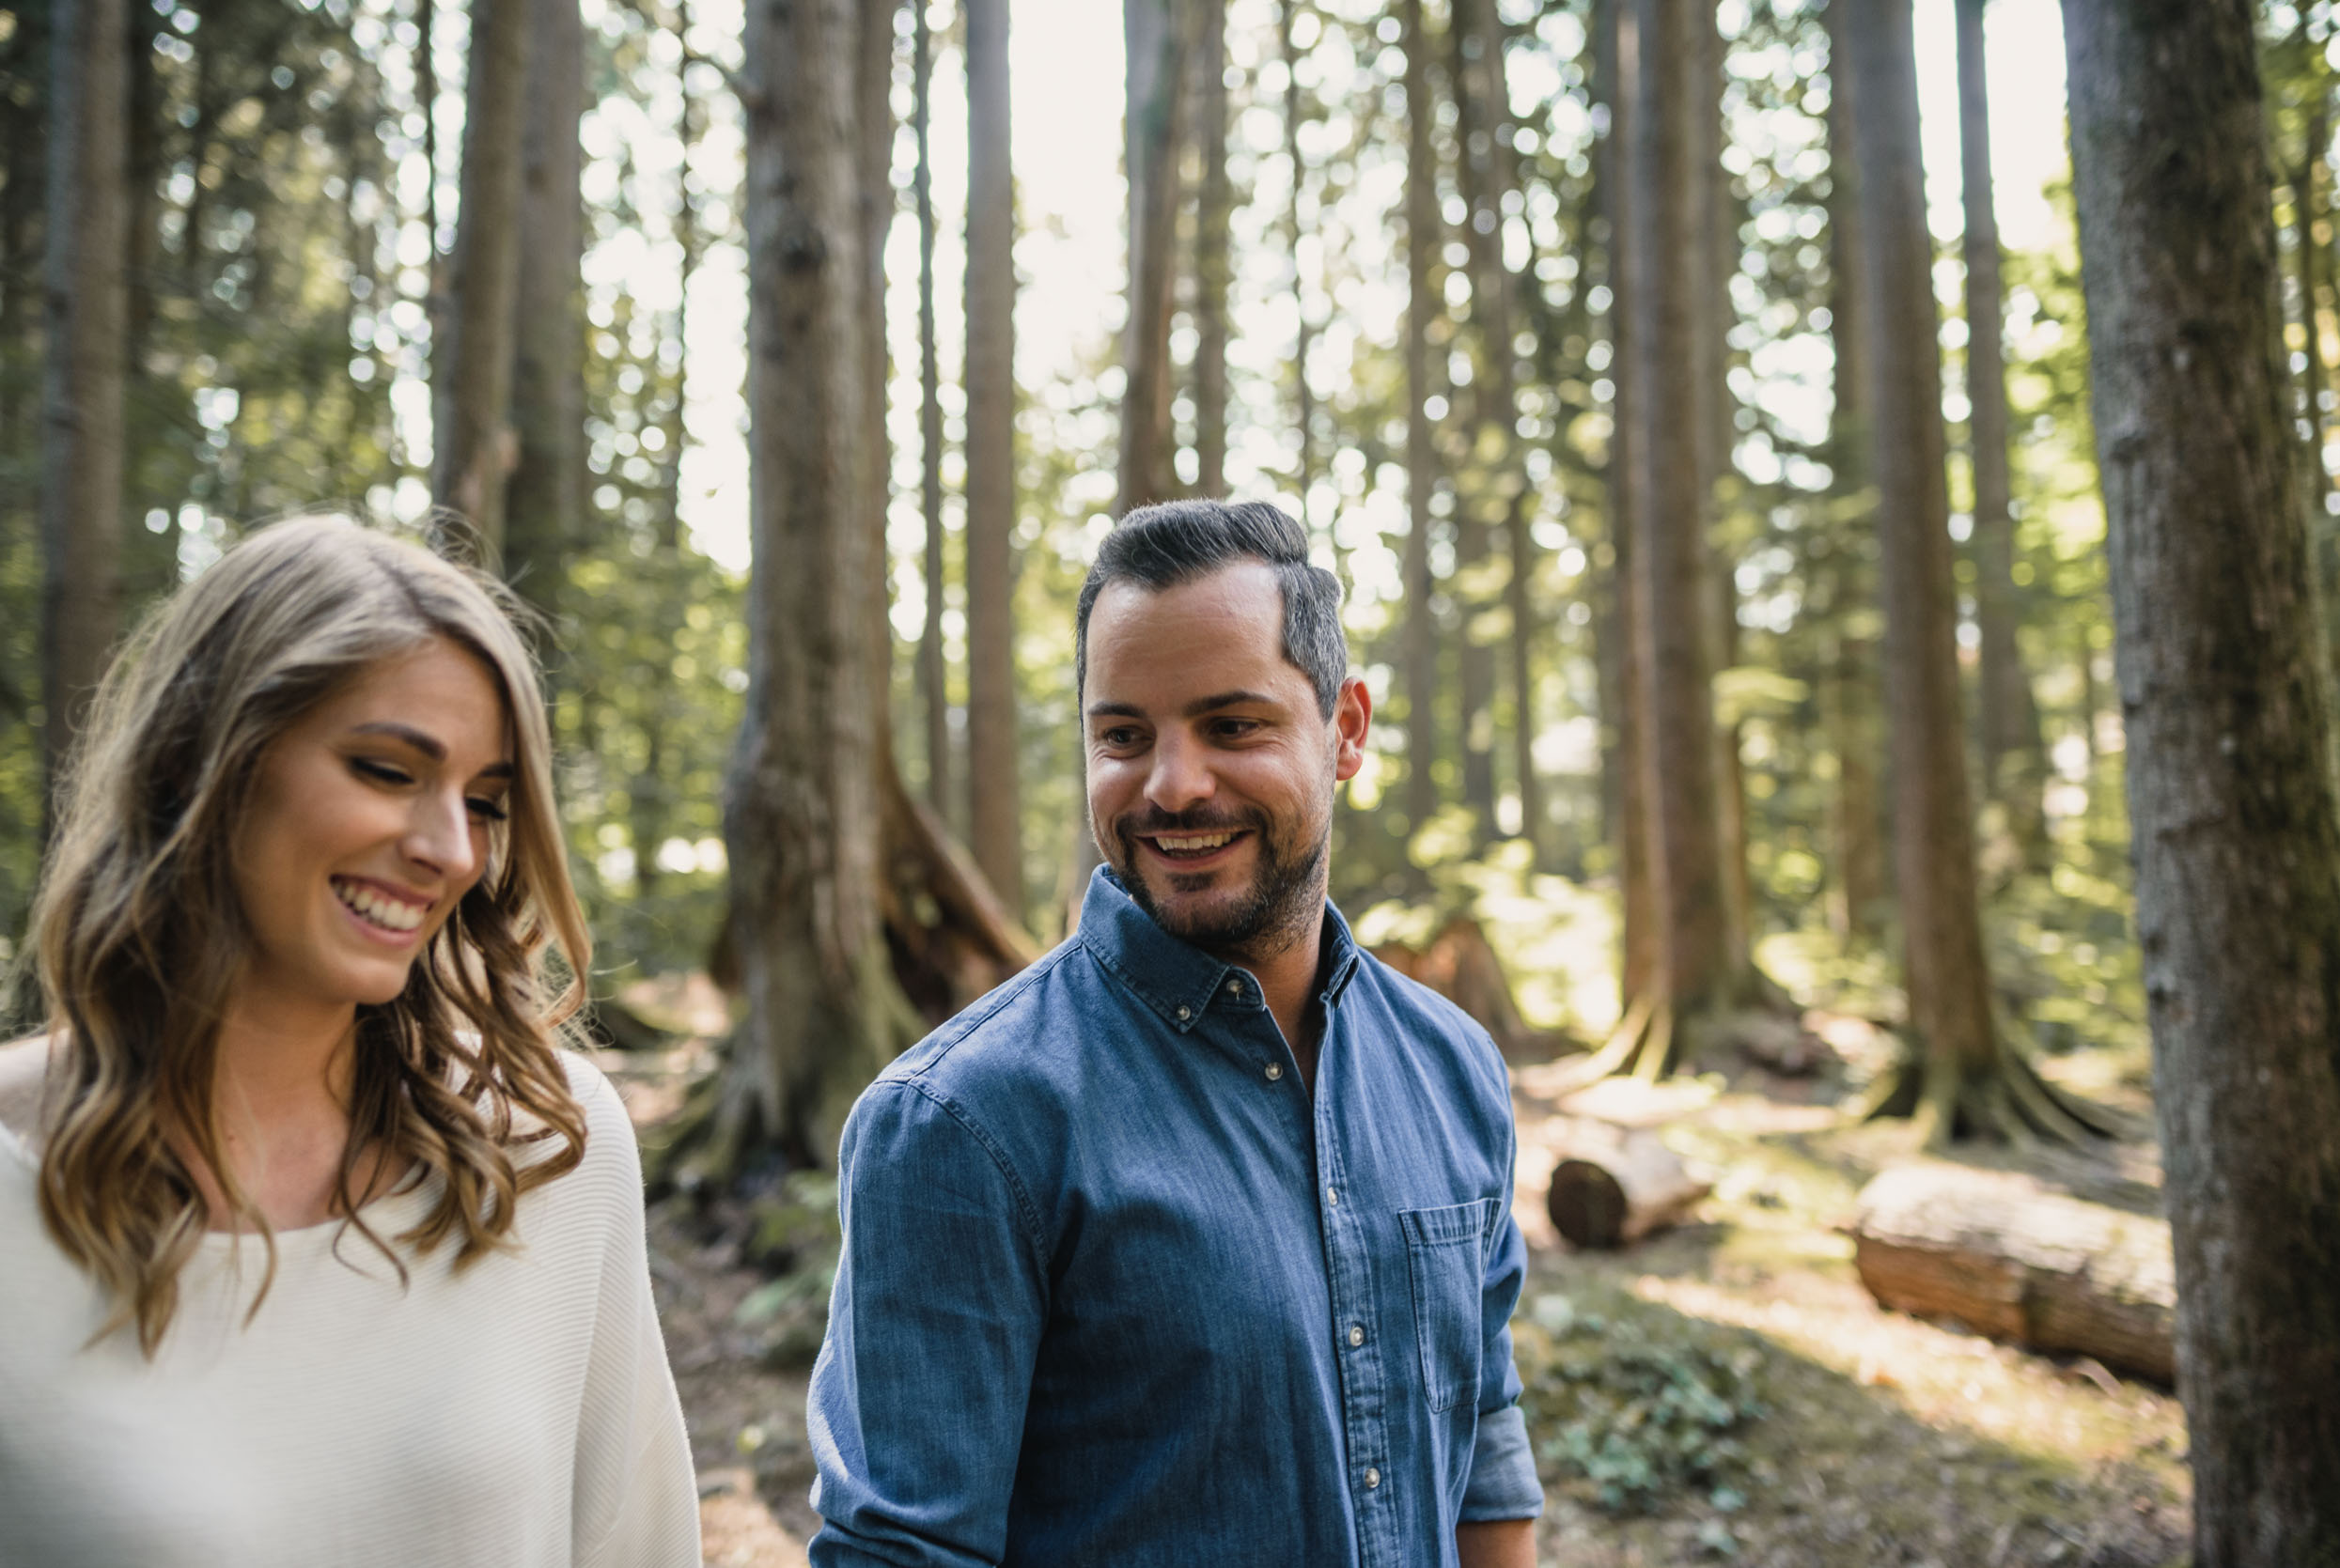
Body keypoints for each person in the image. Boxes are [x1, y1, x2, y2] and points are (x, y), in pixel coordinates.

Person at [806, 500, 1543, 1567]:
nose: (1172, 785)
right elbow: (900, 1554)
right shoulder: (964, 1120)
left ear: (1344, 729)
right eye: (1123, 736)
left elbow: (1481, 1435)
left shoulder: (1452, 1067)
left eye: (1231, 725)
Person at [0, 516, 700, 1567]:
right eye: (384, 769)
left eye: (484, 802)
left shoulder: (554, 1150)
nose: (449, 850)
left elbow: (639, 1546)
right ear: (208, 756)